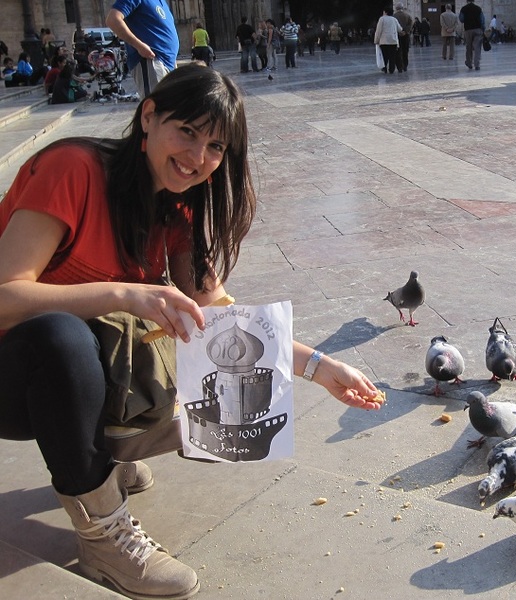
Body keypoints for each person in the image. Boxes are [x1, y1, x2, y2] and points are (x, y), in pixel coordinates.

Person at [0, 63, 381, 600]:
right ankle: (103, 533)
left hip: (72, 376)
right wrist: (124, 292)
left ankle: (104, 452)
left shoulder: (176, 209)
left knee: (224, 369)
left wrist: (320, 368)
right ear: (148, 116)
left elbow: (223, 319)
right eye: (188, 132)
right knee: (62, 338)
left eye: (216, 147)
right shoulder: (74, 169)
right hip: (15, 375)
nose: (199, 158)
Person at [106, 0, 180, 98]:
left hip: (168, 63)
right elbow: (113, 19)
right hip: (151, 60)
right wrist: (139, 46)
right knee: (156, 108)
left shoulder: (162, 2)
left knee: (168, 108)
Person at [374, 6, 402, 75]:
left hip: (384, 41)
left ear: (385, 12)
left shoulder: (382, 19)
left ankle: (385, 68)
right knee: (392, 56)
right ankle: (391, 70)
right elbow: (400, 29)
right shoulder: (394, 19)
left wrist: (376, 40)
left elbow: (378, 31)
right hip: (393, 41)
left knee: (384, 56)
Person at [459, 0, 485, 71]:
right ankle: (477, 65)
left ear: (467, 1)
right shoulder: (478, 8)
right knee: (477, 48)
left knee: (469, 47)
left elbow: (461, 19)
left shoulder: (463, 8)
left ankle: (469, 63)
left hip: (468, 30)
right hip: (478, 29)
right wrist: (483, 29)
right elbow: (482, 20)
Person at [393, 3, 413, 73]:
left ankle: (399, 67)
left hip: (397, 36)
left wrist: (399, 32)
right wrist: (405, 31)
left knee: (398, 51)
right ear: (403, 8)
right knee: (405, 51)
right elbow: (410, 24)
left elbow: (393, 26)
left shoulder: (394, 16)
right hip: (406, 35)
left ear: (396, 8)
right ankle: (405, 66)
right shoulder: (407, 15)